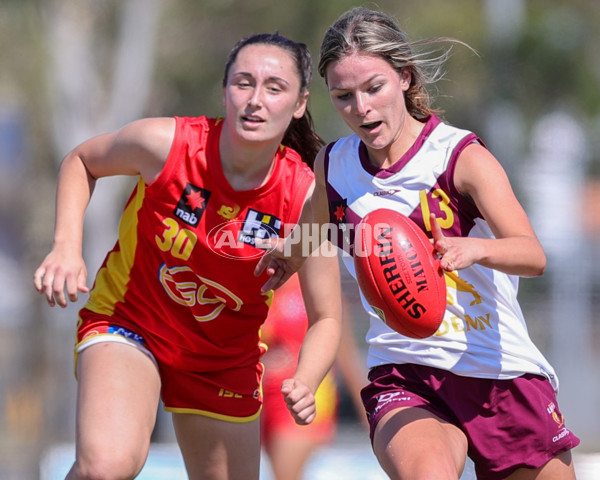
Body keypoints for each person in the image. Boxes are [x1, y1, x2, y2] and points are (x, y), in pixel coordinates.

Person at [33, 32, 342, 480]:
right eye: (243, 83)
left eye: (274, 88)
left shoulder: (307, 198)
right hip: (130, 322)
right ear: (224, 90)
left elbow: (328, 317)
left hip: (223, 359)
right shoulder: (168, 144)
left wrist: (307, 380)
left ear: (299, 103)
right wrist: (66, 246)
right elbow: (82, 162)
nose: (255, 100)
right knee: (107, 467)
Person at [287, 6, 578, 480]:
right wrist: (277, 260)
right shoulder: (334, 167)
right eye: (343, 96)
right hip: (407, 369)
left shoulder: (460, 156)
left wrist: (475, 249)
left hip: (500, 373)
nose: (361, 109)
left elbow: (533, 255)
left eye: (373, 88)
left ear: (404, 77)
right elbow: (306, 235)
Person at [260, 273, 368, 480]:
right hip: (261, 399)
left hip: (305, 394)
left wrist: (368, 412)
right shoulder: (261, 284)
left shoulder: (318, 284)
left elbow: (347, 357)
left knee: (285, 475)